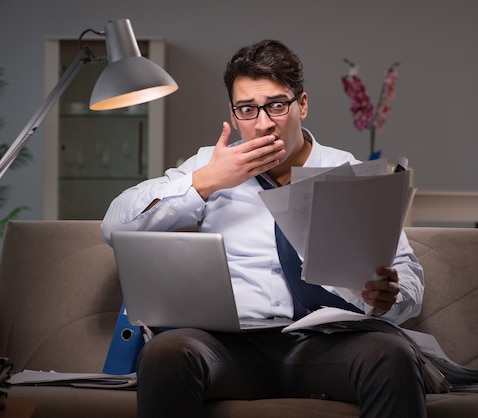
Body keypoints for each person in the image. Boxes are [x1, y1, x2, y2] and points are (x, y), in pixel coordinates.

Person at [101, 39, 426, 418]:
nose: (263, 123)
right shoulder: (209, 165)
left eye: (276, 105)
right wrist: (205, 182)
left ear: (301, 104)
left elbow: (409, 277)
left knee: (392, 355)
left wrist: (390, 296)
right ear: (233, 113)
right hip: (227, 347)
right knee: (166, 353)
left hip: (324, 345)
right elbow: (114, 225)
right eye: (247, 109)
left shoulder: (348, 172)